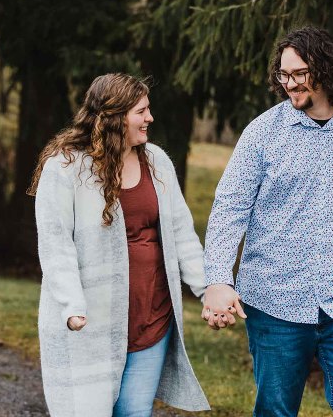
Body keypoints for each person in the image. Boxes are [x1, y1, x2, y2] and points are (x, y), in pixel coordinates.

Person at [202, 27, 333, 417]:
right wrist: (218, 278)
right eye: (283, 74)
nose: (289, 84)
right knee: (276, 410)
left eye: (299, 74)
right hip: (274, 300)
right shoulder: (263, 133)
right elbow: (230, 208)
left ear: (325, 70)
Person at [28, 73, 210, 417]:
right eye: (141, 111)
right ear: (115, 117)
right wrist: (71, 304)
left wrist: (207, 290)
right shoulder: (66, 168)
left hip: (152, 317)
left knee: (134, 411)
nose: (150, 119)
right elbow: (55, 244)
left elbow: (182, 233)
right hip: (91, 321)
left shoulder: (156, 162)